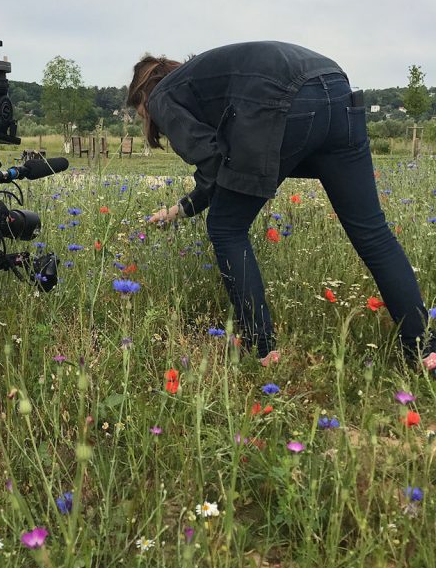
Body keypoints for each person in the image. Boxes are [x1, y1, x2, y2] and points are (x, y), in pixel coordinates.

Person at [127, 40, 436, 370]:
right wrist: (181, 210)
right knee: (372, 232)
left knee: (226, 227)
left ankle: (260, 348)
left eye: (138, 111)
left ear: (142, 95)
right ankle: (424, 350)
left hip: (287, 100)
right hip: (335, 87)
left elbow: (213, 162)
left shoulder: (163, 96)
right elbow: (220, 168)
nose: (144, 118)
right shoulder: (208, 82)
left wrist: (204, 199)